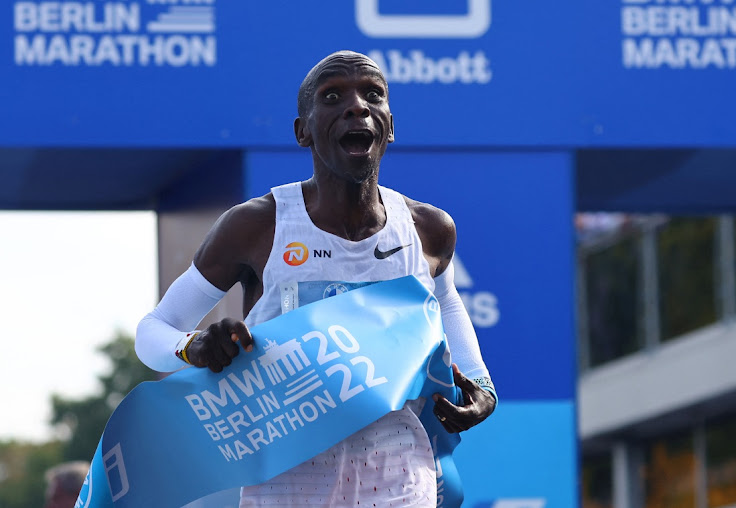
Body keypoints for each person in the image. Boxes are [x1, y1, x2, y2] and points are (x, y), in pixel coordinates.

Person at [136, 50, 496, 507]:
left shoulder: (428, 229)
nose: (357, 106)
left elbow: (444, 304)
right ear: (302, 131)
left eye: (373, 95)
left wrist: (482, 386)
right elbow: (152, 332)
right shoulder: (257, 225)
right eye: (332, 96)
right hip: (286, 481)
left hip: (399, 477)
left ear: (389, 123)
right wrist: (195, 346)